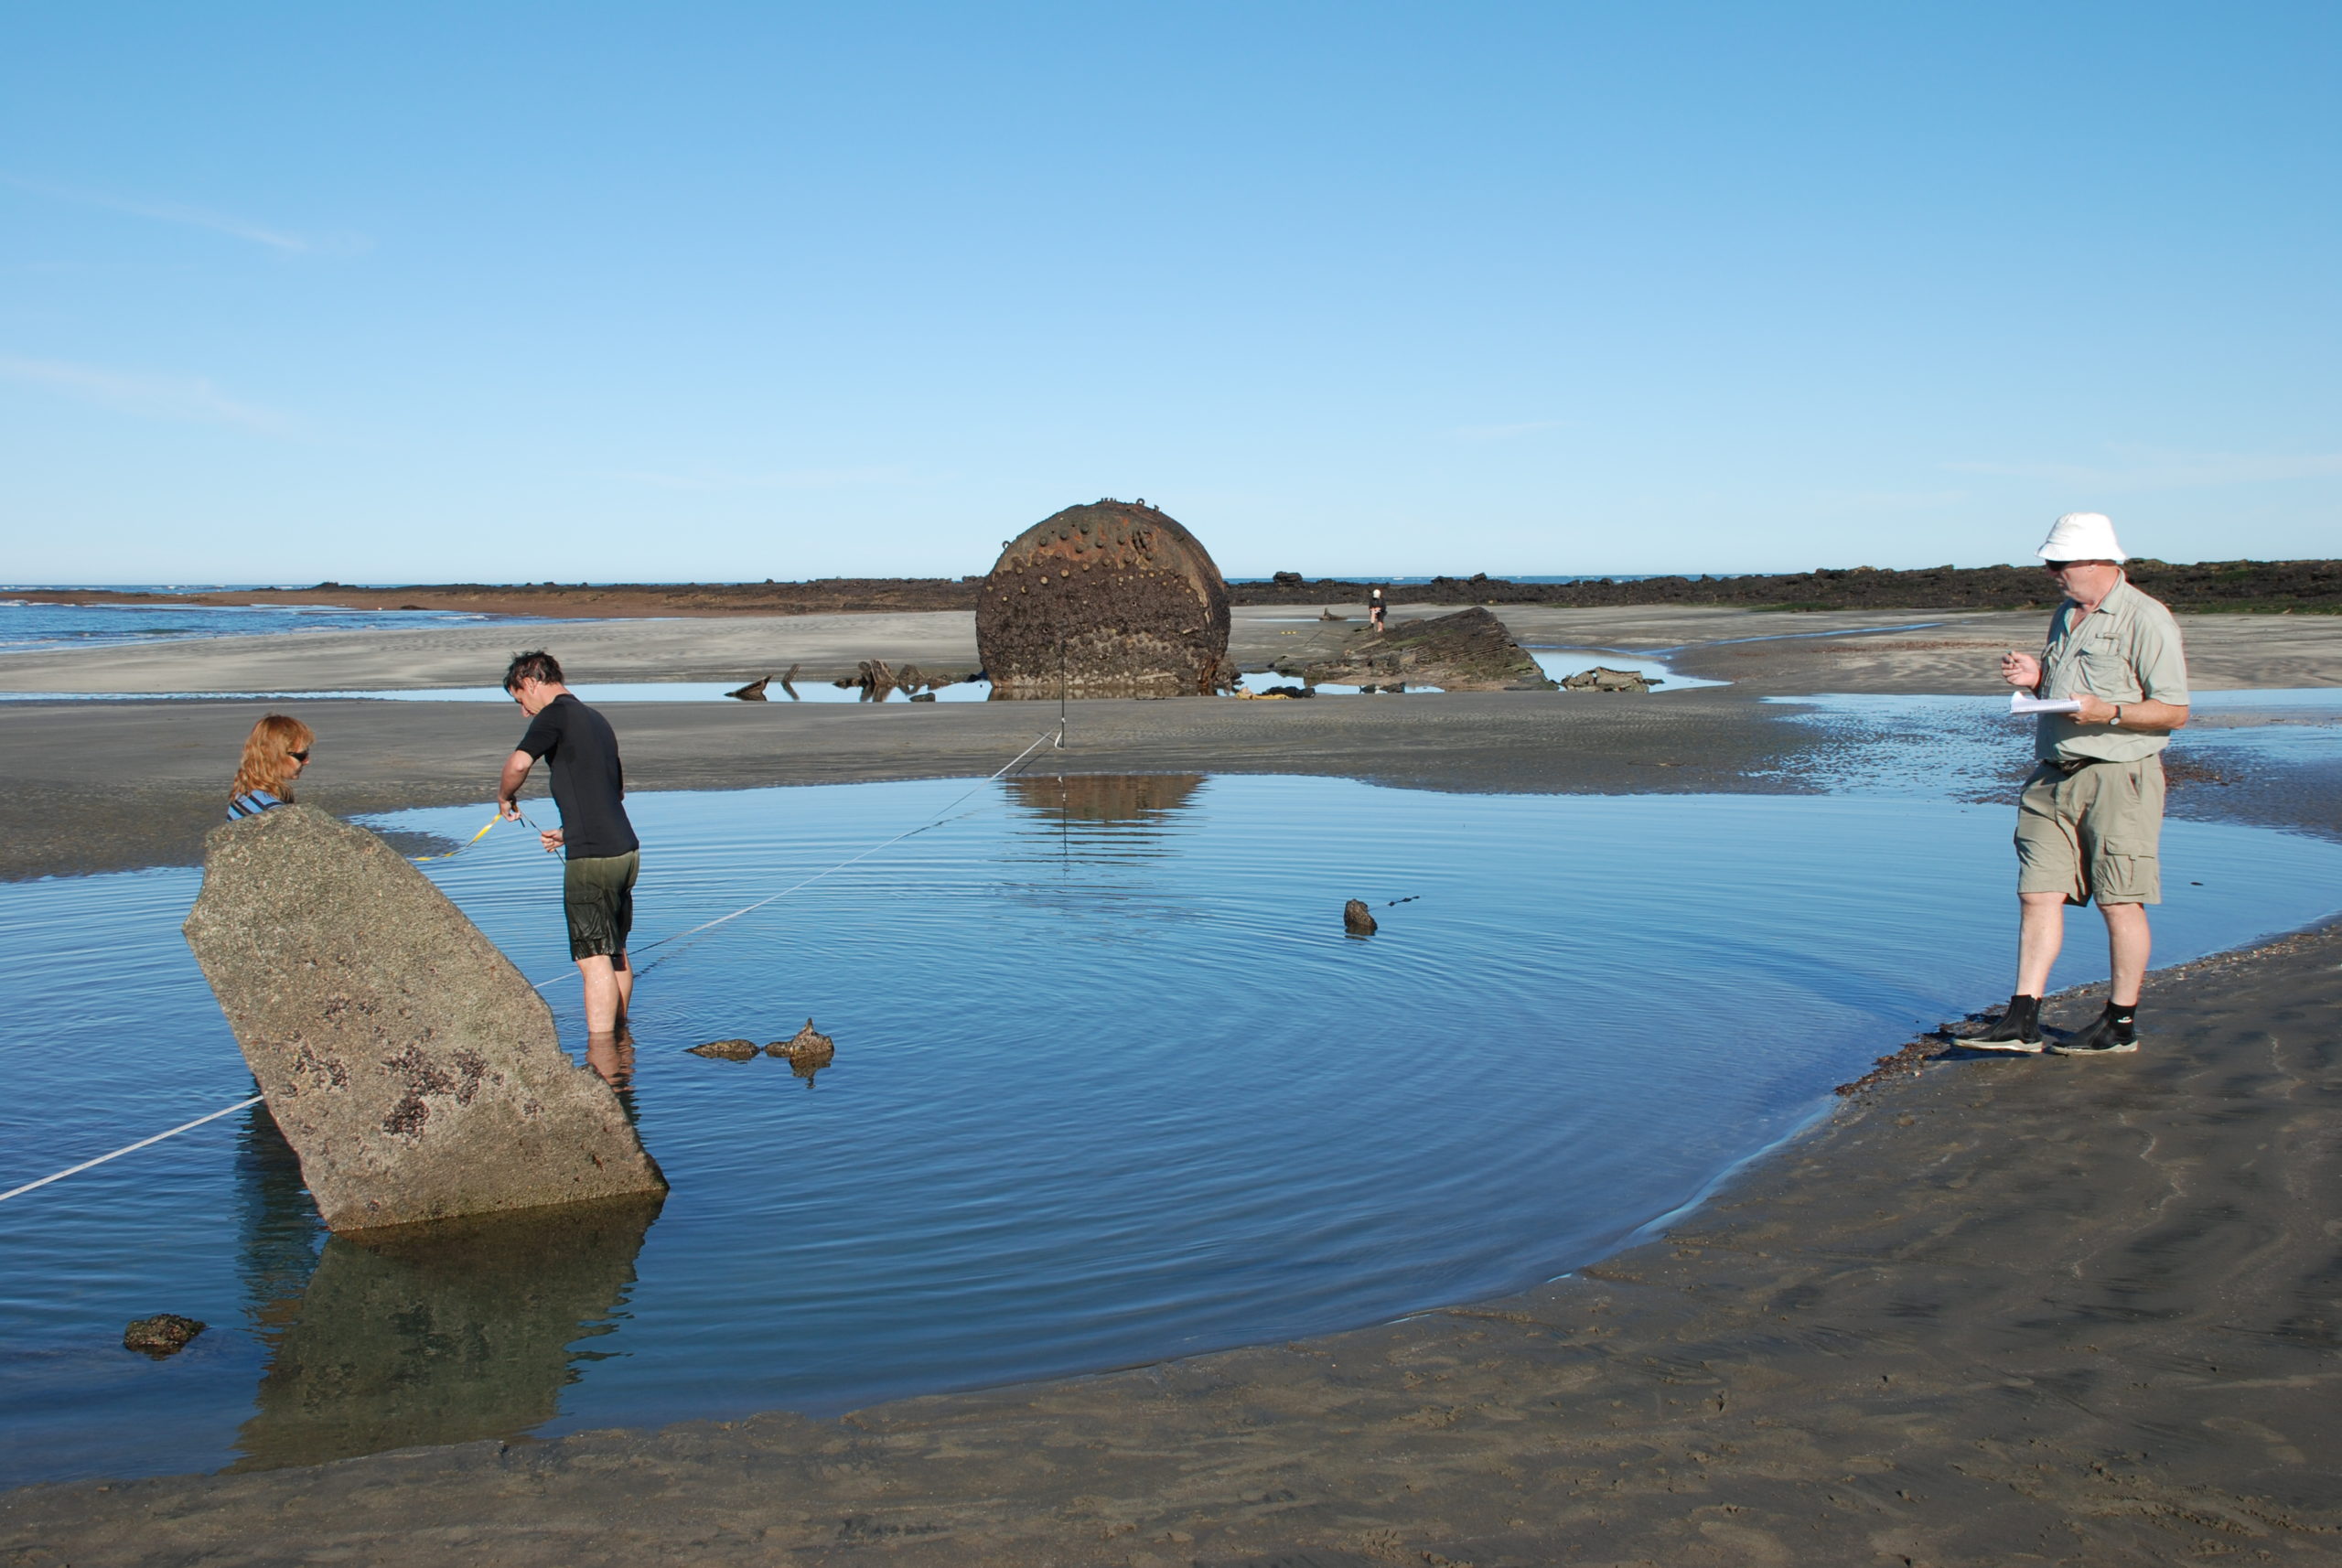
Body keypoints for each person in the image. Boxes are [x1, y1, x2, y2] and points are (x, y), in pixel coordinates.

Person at [1973, 512, 2189, 1056]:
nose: (2051, 573)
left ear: (2097, 560)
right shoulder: (2066, 614)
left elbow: (2175, 710)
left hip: (2120, 775)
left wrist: (2108, 711)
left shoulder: (2148, 618)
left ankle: (2119, 1023)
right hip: (2053, 774)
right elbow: (2066, 683)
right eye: (2049, 563)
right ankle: (2021, 1020)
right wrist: (2036, 677)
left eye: (2058, 563)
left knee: (2120, 899)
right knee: (2036, 892)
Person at [496, 650, 640, 1041]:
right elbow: (613, 792)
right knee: (615, 953)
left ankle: (601, 1053)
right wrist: (568, 830)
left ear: (529, 682)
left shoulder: (554, 715)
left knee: (593, 960)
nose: (524, 712)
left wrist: (505, 797)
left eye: (519, 700)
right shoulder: (596, 719)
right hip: (625, 850)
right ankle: (623, 1042)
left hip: (593, 857)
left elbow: (520, 763)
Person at [227, 714, 314, 820]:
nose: (307, 761)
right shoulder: (272, 811)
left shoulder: (244, 794)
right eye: (302, 755)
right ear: (276, 756)